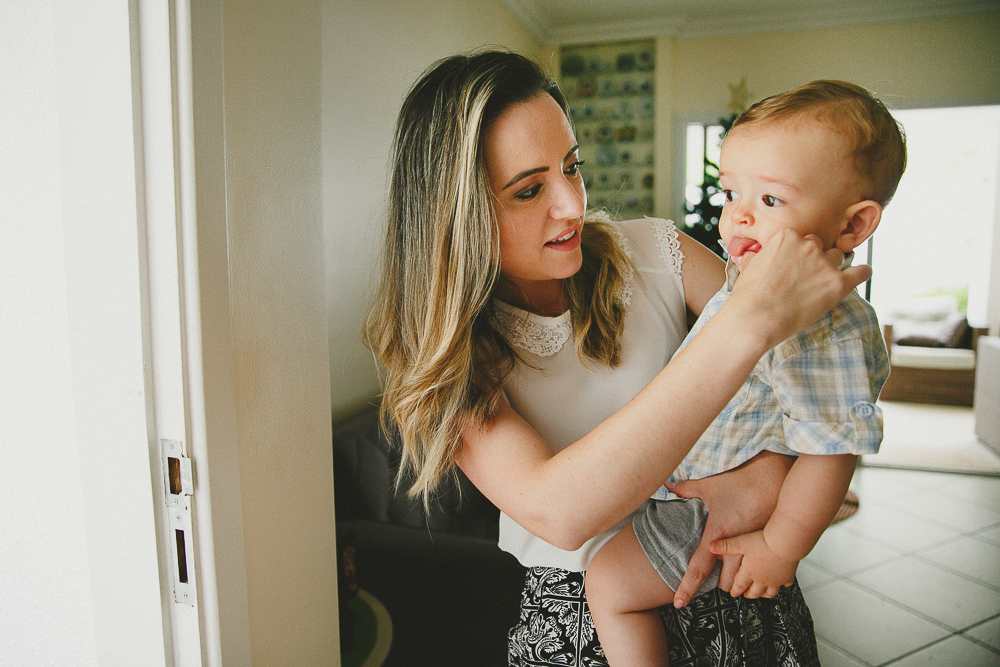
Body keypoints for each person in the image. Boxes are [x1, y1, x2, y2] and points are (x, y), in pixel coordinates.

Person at [364, 51, 871, 666]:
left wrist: (763, 483)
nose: (572, 205)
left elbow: (829, 377)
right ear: (454, 217)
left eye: (571, 168)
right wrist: (741, 333)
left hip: (739, 591)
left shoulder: (659, 253)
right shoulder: (448, 356)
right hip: (587, 628)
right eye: (529, 190)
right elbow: (560, 511)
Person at [585, 80, 907, 666]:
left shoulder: (818, 324)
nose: (737, 217)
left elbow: (833, 448)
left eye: (771, 201)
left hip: (705, 507)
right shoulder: (746, 285)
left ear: (854, 226)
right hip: (689, 487)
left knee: (608, 586)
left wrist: (782, 547)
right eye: (731, 191)